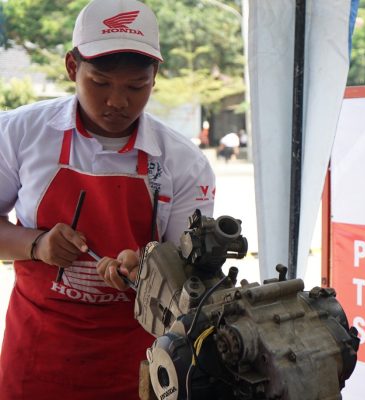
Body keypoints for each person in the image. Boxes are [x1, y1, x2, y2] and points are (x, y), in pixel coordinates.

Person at [0, 0, 215, 398]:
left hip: (139, 359)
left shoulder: (183, 162)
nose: (118, 102)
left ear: (156, 76)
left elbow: (194, 274)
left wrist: (149, 267)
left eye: (137, 86)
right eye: (99, 83)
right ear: (71, 68)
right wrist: (36, 244)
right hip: (37, 352)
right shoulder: (18, 133)